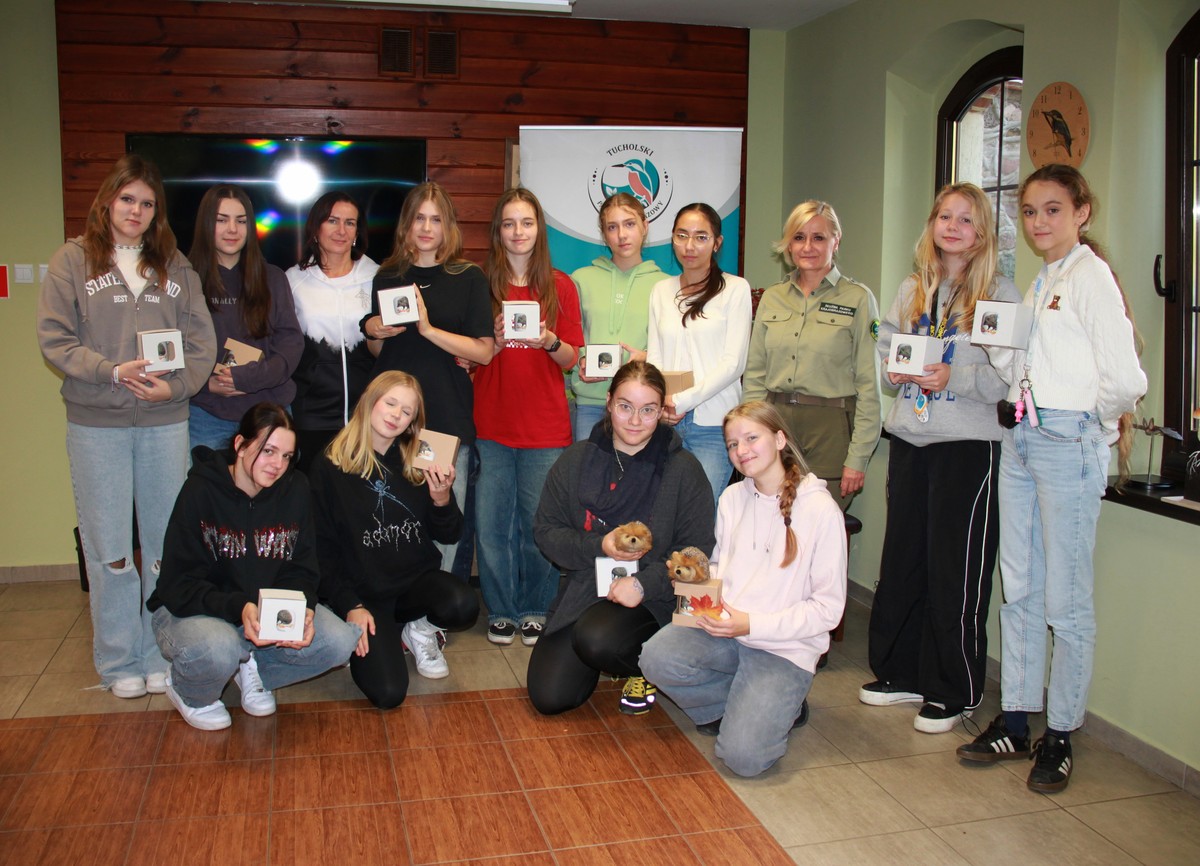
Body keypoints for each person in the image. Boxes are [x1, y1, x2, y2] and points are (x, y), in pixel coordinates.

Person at [957, 165, 1145, 793]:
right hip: (1023, 439)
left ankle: (1059, 733)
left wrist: (1094, 426)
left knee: (1066, 602)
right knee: (1021, 588)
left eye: (1053, 209)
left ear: (1081, 212)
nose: (1039, 222)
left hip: (1067, 442)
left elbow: (1127, 380)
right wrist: (996, 344)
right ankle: (1014, 719)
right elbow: (1031, 368)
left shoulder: (1090, 277)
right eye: (1031, 211)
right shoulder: (1043, 280)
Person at [37, 154, 216, 699]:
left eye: (147, 203)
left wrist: (175, 387)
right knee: (111, 553)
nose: (136, 211)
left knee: (163, 549)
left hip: (164, 424)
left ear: (156, 212)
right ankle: (118, 664)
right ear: (108, 202)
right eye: (127, 199)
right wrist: (110, 371)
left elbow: (201, 344)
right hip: (98, 426)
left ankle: (158, 652)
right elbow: (55, 339)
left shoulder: (175, 266)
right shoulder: (72, 261)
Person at [861, 183, 1019, 733]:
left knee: (956, 569)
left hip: (967, 447)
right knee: (903, 561)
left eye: (966, 219)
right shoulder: (913, 289)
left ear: (983, 233)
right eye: (944, 216)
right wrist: (895, 370)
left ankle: (954, 688)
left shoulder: (999, 295)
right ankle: (901, 672)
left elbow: (1008, 377)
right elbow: (887, 354)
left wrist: (955, 376)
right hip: (910, 438)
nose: (952, 227)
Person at [640, 401, 846, 777]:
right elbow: (721, 565)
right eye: (733, 444)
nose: (741, 450)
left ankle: (777, 704)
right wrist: (695, 581)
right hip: (725, 628)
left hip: (782, 648)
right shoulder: (732, 498)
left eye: (751, 438)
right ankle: (743, 704)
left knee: (743, 759)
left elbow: (827, 610)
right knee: (655, 658)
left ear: (780, 439)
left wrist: (751, 624)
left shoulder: (820, 510)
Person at [148, 403, 360, 730]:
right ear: (240, 445)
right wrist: (238, 607)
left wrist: (301, 608)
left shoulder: (296, 489)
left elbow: (303, 568)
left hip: (263, 612)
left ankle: (251, 666)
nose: (277, 465)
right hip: (196, 610)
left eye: (286, 456)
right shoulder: (201, 490)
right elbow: (178, 583)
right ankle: (188, 689)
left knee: (339, 642)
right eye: (268, 451)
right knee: (219, 648)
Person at [530, 361, 715, 716]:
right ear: (609, 402)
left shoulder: (683, 470)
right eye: (625, 406)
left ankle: (646, 665)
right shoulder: (575, 460)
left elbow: (696, 552)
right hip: (587, 586)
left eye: (648, 410)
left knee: (598, 639)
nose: (635, 421)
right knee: (549, 697)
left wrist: (644, 584)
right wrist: (598, 545)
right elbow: (546, 531)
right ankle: (606, 647)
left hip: (655, 599)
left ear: (661, 411)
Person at [310, 371, 478, 708]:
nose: (396, 415)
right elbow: (320, 551)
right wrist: (350, 606)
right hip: (367, 596)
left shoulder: (420, 456)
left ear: (413, 421)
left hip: (415, 585)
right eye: (390, 403)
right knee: (388, 693)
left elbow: (450, 533)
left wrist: (442, 499)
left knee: (464, 605)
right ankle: (381, 633)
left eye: (406, 411)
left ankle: (419, 629)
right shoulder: (329, 464)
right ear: (370, 401)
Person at [360, 182, 494, 575]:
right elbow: (382, 352)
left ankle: (434, 605)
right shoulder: (388, 275)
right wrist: (373, 332)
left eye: (435, 219)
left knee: (442, 521)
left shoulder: (468, 276)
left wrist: (429, 329)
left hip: (444, 419)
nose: (426, 227)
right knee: (388, 517)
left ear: (448, 226)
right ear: (407, 224)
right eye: (419, 218)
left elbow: (484, 351)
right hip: (391, 420)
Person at [473, 188, 583, 647]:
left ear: (539, 229)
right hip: (491, 423)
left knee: (540, 526)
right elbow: (468, 356)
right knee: (492, 526)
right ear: (498, 231)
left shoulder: (560, 286)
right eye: (509, 223)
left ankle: (536, 606)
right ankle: (501, 609)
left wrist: (548, 340)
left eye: (527, 222)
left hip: (545, 427)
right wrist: (495, 341)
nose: (518, 232)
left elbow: (572, 358)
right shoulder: (480, 284)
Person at [742, 200, 882, 511]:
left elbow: (869, 386)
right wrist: (750, 434)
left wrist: (858, 457)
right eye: (798, 237)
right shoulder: (773, 298)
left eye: (818, 237)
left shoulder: (857, 299)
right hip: (775, 424)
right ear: (789, 244)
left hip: (830, 429)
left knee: (818, 525)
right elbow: (755, 376)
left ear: (836, 240)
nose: (807, 247)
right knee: (771, 522)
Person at [646, 203, 752, 507]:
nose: (689, 246)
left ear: (717, 243)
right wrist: (660, 402)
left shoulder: (735, 289)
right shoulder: (661, 290)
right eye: (682, 235)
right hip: (666, 421)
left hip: (712, 423)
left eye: (701, 237)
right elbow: (655, 356)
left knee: (701, 511)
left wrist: (681, 401)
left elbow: (733, 363)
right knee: (664, 509)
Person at [187, 184, 304, 451]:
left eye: (241, 221)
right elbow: (174, 348)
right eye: (221, 220)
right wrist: (205, 384)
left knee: (272, 480)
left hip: (269, 413)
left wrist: (251, 378)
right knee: (208, 480)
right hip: (207, 414)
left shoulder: (273, 278)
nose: (233, 229)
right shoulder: (186, 279)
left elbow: (291, 344)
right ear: (206, 224)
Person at [286, 192, 380, 472]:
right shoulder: (292, 280)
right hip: (311, 417)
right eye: (332, 221)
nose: (341, 230)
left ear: (357, 231)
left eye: (350, 223)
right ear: (316, 228)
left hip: (366, 416)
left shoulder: (378, 277)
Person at [570, 193, 664, 441]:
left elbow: (673, 347)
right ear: (604, 234)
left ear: (645, 226)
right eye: (612, 227)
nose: (622, 235)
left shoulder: (664, 285)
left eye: (629, 224)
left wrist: (648, 356)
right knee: (589, 467)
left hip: (641, 406)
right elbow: (569, 337)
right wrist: (580, 360)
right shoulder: (580, 279)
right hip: (591, 402)